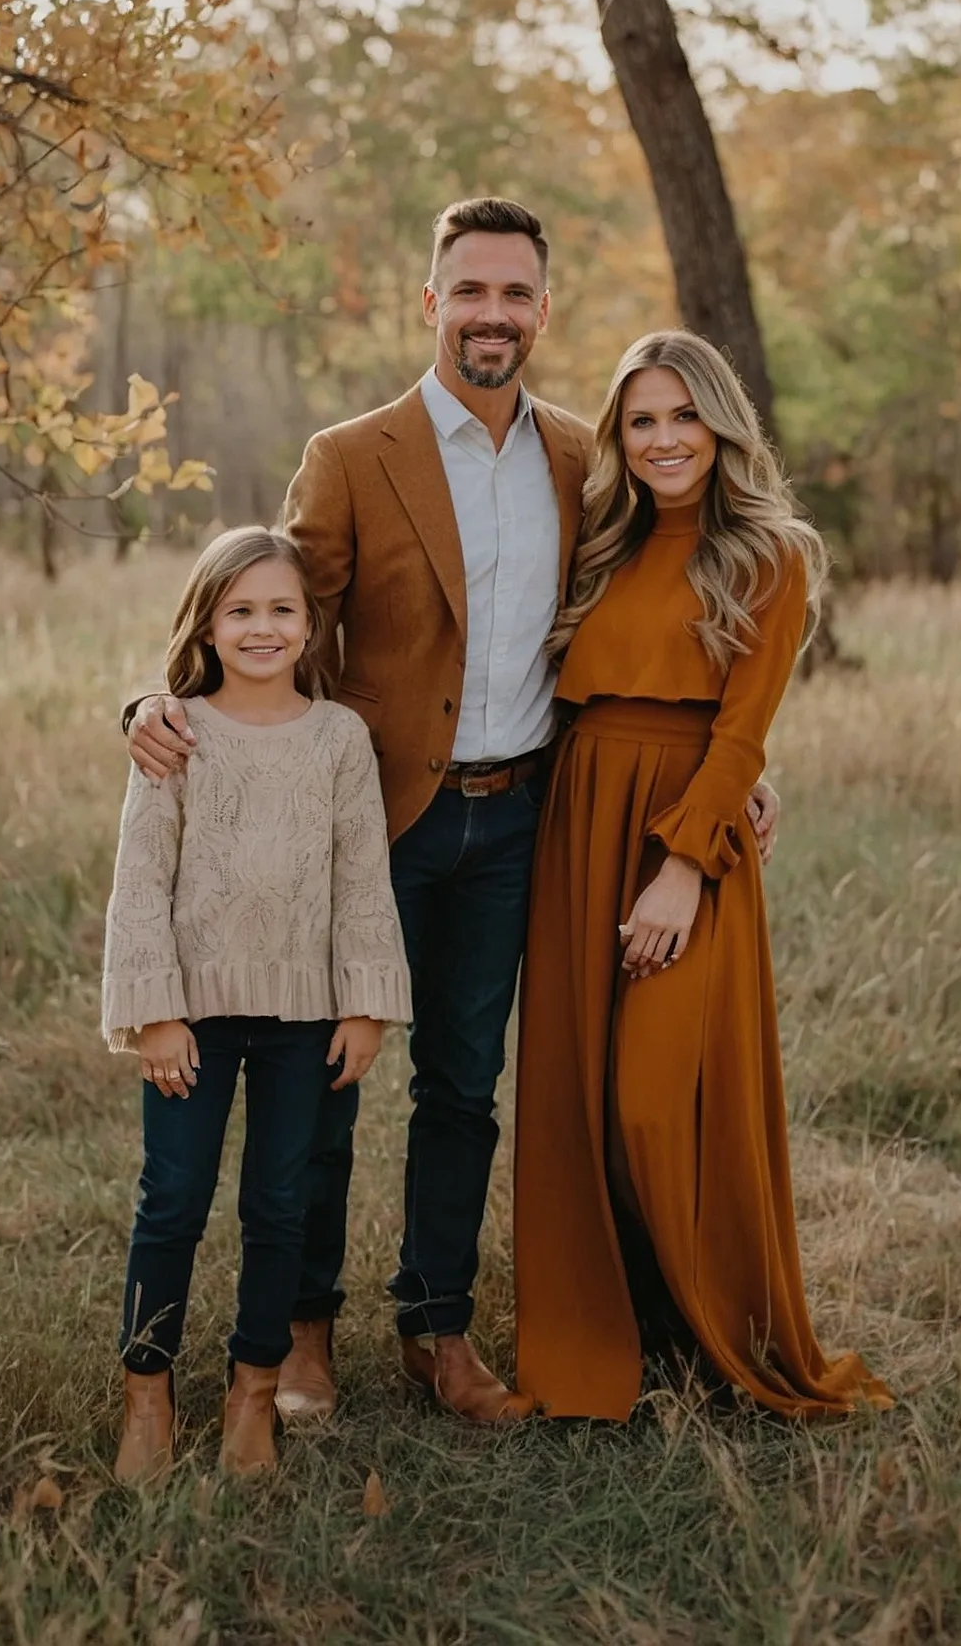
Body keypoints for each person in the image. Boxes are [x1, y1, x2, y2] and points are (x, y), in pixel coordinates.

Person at [124, 199, 781, 1426]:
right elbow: (270, 613)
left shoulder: (588, 459)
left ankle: (437, 1329)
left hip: (520, 817)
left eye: (515, 294)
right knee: (325, 1081)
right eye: (469, 291)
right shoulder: (351, 454)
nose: (493, 314)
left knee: (465, 1087)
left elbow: (650, 629)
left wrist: (726, 765)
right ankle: (306, 1330)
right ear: (431, 302)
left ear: (544, 310)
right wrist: (151, 700)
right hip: (371, 821)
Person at [513, 331, 893, 1422]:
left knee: (658, 1098)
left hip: (688, 833)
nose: (664, 439)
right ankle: (620, 1336)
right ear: (619, 439)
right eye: (641, 421)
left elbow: (744, 730)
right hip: (581, 820)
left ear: (722, 424)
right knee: (579, 1096)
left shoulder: (770, 553)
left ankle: (718, 1330)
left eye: (684, 416)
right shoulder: (599, 543)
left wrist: (683, 867)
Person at [104, 527, 410, 1483]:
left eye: (282, 609)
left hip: (306, 1019)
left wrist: (366, 1006)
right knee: (174, 1202)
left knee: (282, 1203)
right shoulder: (176, 732)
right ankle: (147, 1394)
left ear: (311, 622)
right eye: (240, 610)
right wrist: (155, 1011)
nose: (263, 627)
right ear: (207, 623)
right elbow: (139, 882)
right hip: (190, 1019)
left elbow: (363, 879)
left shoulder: (339, 739)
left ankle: (251, 1392)